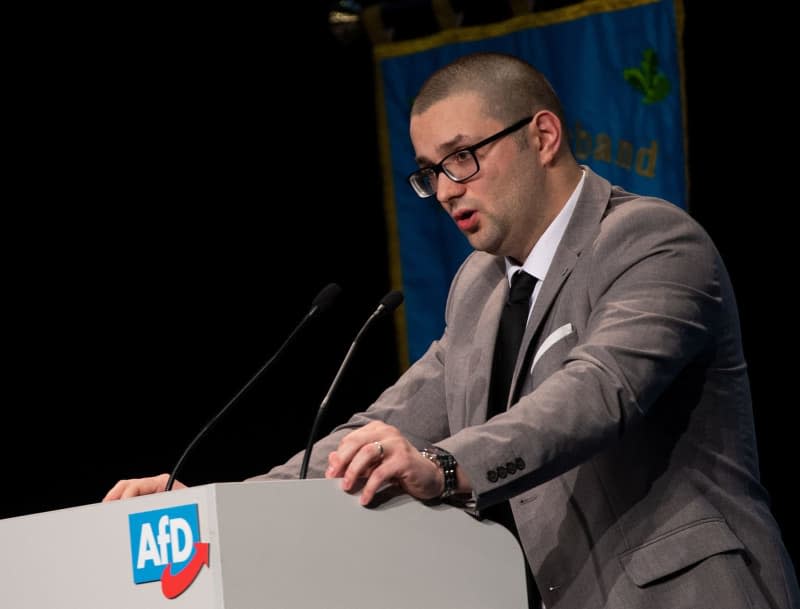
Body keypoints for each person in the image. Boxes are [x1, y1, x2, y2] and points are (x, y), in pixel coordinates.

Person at [105, 52, 799, 609]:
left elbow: (597, 393)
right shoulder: (479, 286)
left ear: (543, 135)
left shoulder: (651, 240)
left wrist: (442, 466)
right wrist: (217, 503)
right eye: (430, 172)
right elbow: (387, 423)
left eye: (462, 157)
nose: (444, 189)